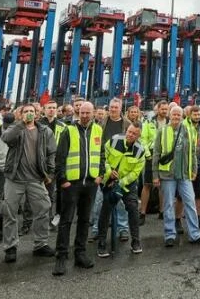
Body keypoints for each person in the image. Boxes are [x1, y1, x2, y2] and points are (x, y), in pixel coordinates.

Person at [53, 101, 104, 276]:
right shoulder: (69, 130)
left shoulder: (98, 130)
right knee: (66, 221)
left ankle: (80, 254)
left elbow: (102, 154)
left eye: (88, 113)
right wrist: (63, 180)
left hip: (90, 183)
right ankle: (61, 257)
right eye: (82, 113)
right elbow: (60, 157)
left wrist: (100, 175)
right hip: (72, 184)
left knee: (84, 220)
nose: (84, 116)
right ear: (78, 113)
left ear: (93, 113)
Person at [1, 104, 57, 263]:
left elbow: (51, 152)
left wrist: (50, 172)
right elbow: (6, 138)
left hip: (35, 178)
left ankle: (40, 244)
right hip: (15, 178)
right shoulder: (16, 128)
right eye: (26, 111)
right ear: (21, 114)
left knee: (44, 207)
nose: (29, 114)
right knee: (10, 212)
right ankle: (10, 247)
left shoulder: (45, 131)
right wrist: (20, 124)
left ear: (37, 114)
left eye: (32, 111)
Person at [153, 105, 200, 248]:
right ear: (169, 116)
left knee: (190, 203)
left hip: (184, 174)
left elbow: (193, 153)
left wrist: (194, 169)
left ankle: (195, 235)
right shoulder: (162, 131)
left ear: (182, 116)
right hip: (167, 175)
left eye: (179, 115)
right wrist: (155, 175)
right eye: (174, 115)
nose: (176, 117)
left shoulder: (189, 131)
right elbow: (156, 154)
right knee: (168, 205)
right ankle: (169, 235)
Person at [96, 121, 146, 257]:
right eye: (129, 131)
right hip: (109, 180)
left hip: (127, 184)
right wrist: (108, 172)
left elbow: (136, 173)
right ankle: (101, 242)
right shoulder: (114, 140)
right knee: (105, 210)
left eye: (134, 134)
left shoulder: (141, 151)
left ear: (139, 135)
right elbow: (103, 157)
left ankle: (136, 241)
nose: (130, 135)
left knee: (133, 209)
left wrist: (121, 182)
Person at [91, 98, 131, 242]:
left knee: (120, 201)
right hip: (103, 166)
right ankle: (96, 229)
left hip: (120, 168)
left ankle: (123, 229)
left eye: (116, 107)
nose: (113, 109)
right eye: (111, 107)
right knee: (99, 201)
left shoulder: (127, 124)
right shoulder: (101, 123)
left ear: (121, 108)